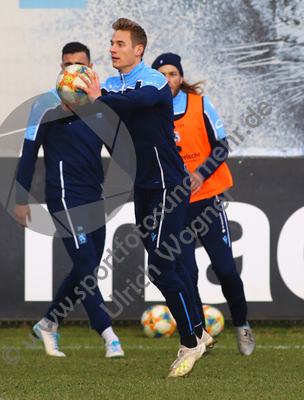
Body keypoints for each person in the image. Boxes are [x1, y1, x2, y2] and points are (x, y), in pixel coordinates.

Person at [76, 18, 214, 377]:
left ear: (138, 49)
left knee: (160, 267)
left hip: (171, 184)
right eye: (110, 42)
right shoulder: (107, 85)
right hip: (144, 187)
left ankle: (190, 342)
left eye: (119, 43)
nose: (111, 48)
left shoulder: (153, 79)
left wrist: (100, 99)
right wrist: (81, 103)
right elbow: (106, 126)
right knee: (166, 264)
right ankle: (198, 330)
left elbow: (144, 99)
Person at [14, 42, 124, 359]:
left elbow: (118, 150)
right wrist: (21, 199)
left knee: (82, 269)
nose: (72, 70)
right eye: (67, 65)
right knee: (87, 270)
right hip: (63, 200)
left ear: (90, 71)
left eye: (80, 65)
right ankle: (109, 336)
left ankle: (49, 323)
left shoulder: (99, 108)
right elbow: (28, 155)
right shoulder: (45, 109)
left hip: (95, 200)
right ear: (60, 70)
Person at [152, 52, 255, 356]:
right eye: (163, 75)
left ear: (180, 77)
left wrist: (200, 173)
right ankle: (199, 335)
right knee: (188, 274)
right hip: (175, 206)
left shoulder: (199, 104)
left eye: (173, 73)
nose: (168, 79)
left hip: (206, 201)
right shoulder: (152, 110)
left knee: (225, 269)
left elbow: (222, 146)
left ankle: (242, 324)